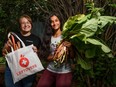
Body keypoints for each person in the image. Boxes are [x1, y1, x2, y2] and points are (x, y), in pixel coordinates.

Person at [2, 14, 41, 87]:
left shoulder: (36, 39)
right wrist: (6, 46)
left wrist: (37, 51)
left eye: (28, 22)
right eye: (23, 23)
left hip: (28, 69)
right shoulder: (13, 36)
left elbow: (38, 56)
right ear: (20, 25)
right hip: (12, 70)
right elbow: (4, 53)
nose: (26, 25)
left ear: (31, 24)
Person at [36, 13, 74, 87]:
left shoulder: (66, 36)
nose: (54, 23)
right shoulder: (48, 37)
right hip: (50, 69)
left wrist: (70, 47)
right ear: (50, 24)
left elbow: (72, 56)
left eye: (56, 20)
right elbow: (45, 56)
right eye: (52, 21)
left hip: (64, 71)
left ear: (60, 21)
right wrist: (54, 57)